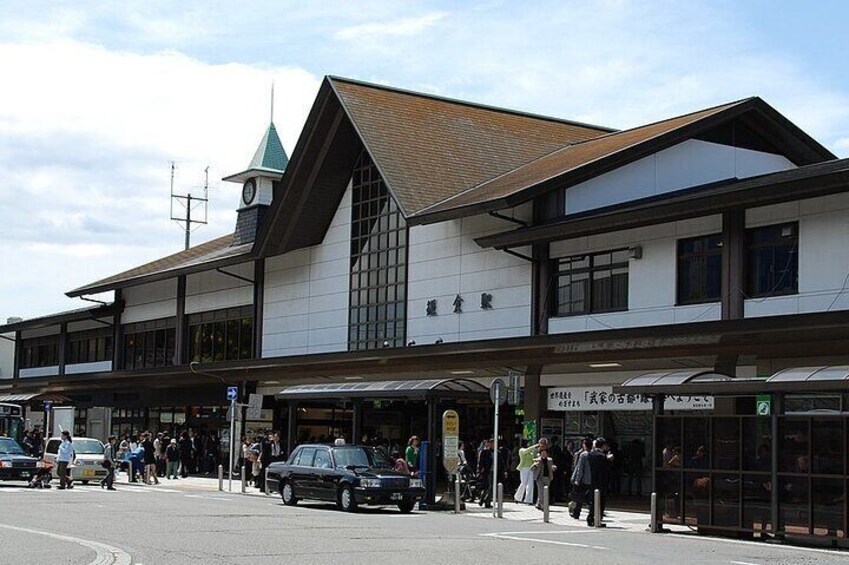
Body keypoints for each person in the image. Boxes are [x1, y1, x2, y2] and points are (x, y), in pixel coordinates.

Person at [587, 437, 612, 527]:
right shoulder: (602, 456)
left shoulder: (590, 454)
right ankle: (598, 519)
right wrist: (608, 459)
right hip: (601, 482)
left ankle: (590, 518)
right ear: (604, 446)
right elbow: (606, 469)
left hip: (592, 481)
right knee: (600, 502)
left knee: (592, 501)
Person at [569, 438, 593, 520]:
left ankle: (576, 514)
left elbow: (580, 468)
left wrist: (577, 480)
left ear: (585, 445)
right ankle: (591, 513)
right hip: (591, 480)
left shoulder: (583, 455)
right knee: (590, 498)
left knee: (579, 498)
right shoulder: (594, 454)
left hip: (583, 480)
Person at [514, 440, 538, 505]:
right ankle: (517, 497)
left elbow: (534, 457)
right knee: (523, 483)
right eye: (527, 443)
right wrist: (534, 446)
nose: (528, 444)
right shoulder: (521, 450)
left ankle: (528, 500)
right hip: (524, 468)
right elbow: (526, 451)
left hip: (531, 468)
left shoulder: (531, 451)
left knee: (530, 484)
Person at [477, 438, 494, 508]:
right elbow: (481, 461)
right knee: (488, 487)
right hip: (487, 471)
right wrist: (481, 468)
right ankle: (486, 501)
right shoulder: (485, 452)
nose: (493, 445)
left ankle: (484, 500)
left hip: (494, 472)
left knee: (490, 487)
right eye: (491, 443)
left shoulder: (497, 452)